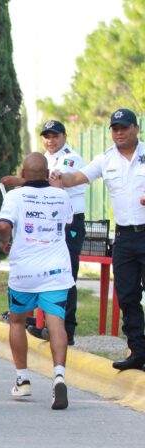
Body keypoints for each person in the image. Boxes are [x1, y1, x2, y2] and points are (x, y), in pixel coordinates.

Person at [53, 108, 145, 371]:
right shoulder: (106, 159)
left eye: (124, 128)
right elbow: (77, 177)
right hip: (125, 237)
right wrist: (61, 178)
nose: (119, 133)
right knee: (127, 296)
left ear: (135, 129)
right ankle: (138, 352)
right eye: (115, 129)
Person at [0, 152, 73, 410]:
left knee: (17, 321)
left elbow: (3, 225)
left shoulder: (14, 196)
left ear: (22, 173)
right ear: (47, 171)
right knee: (56, 324)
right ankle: (59, 375)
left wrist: (5, 241)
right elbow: (68, 220)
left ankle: (23, 379)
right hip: (56, 271)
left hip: (24, 273)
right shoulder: (62, 195)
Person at [2, 120, 86, 345]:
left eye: (55, 135)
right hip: (51, 221)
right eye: (47, 136)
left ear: (64, 136)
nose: (51, 140)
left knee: (65, 276)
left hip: (68, 223)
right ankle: (47, 325)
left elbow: (53, 182)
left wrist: (20, 181)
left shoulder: (71, 158)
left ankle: (66, 329)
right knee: (46, 274)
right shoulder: (45, 159)